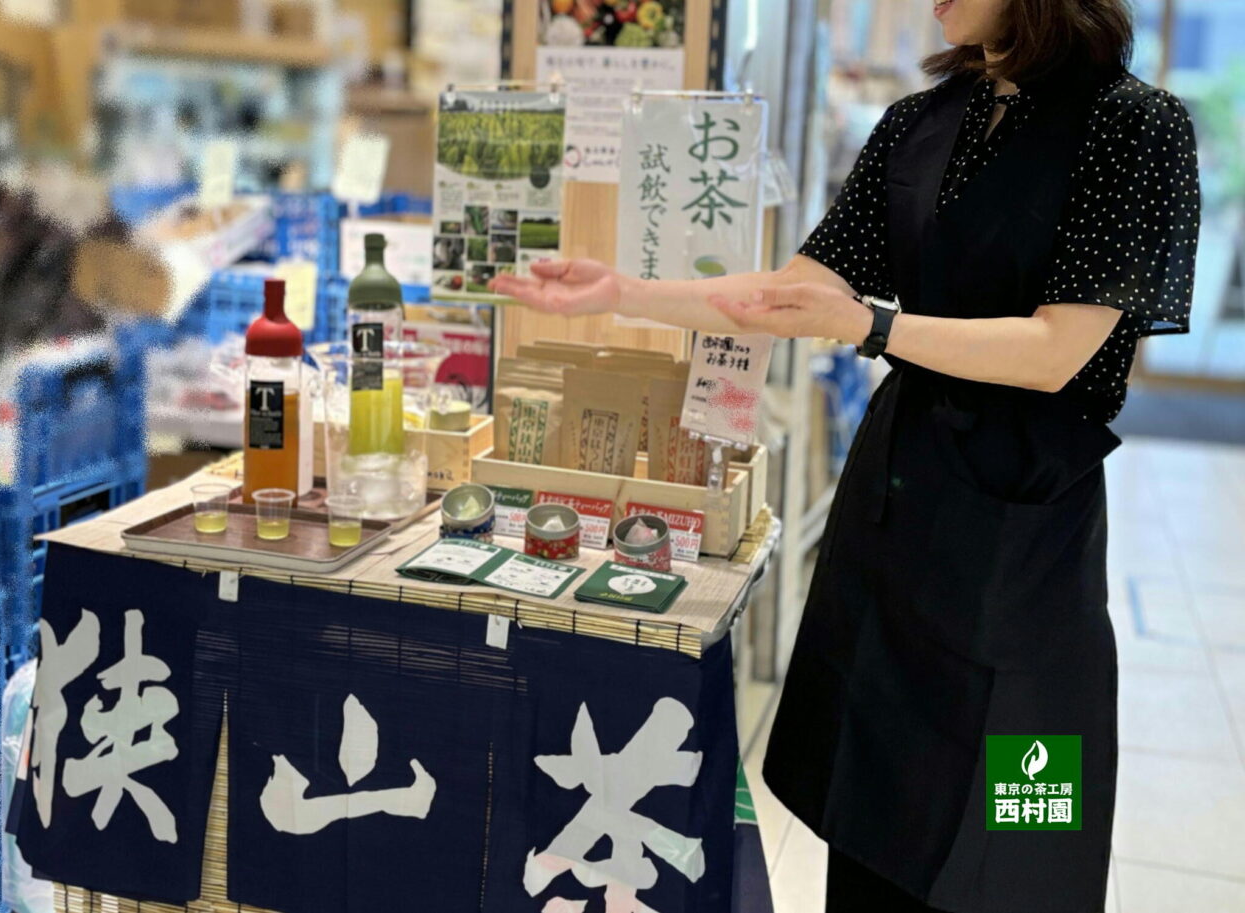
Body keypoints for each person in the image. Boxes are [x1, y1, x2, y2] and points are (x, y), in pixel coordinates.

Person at [490, 0, 1200, 908]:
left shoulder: (1133, 125)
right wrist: (624, 293)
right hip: (898, 506)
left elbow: (1058, 351)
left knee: (1027, 831)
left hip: (1027, 539)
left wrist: (874, 324)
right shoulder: (919, 123)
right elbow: (790, 297)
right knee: (877, 818)